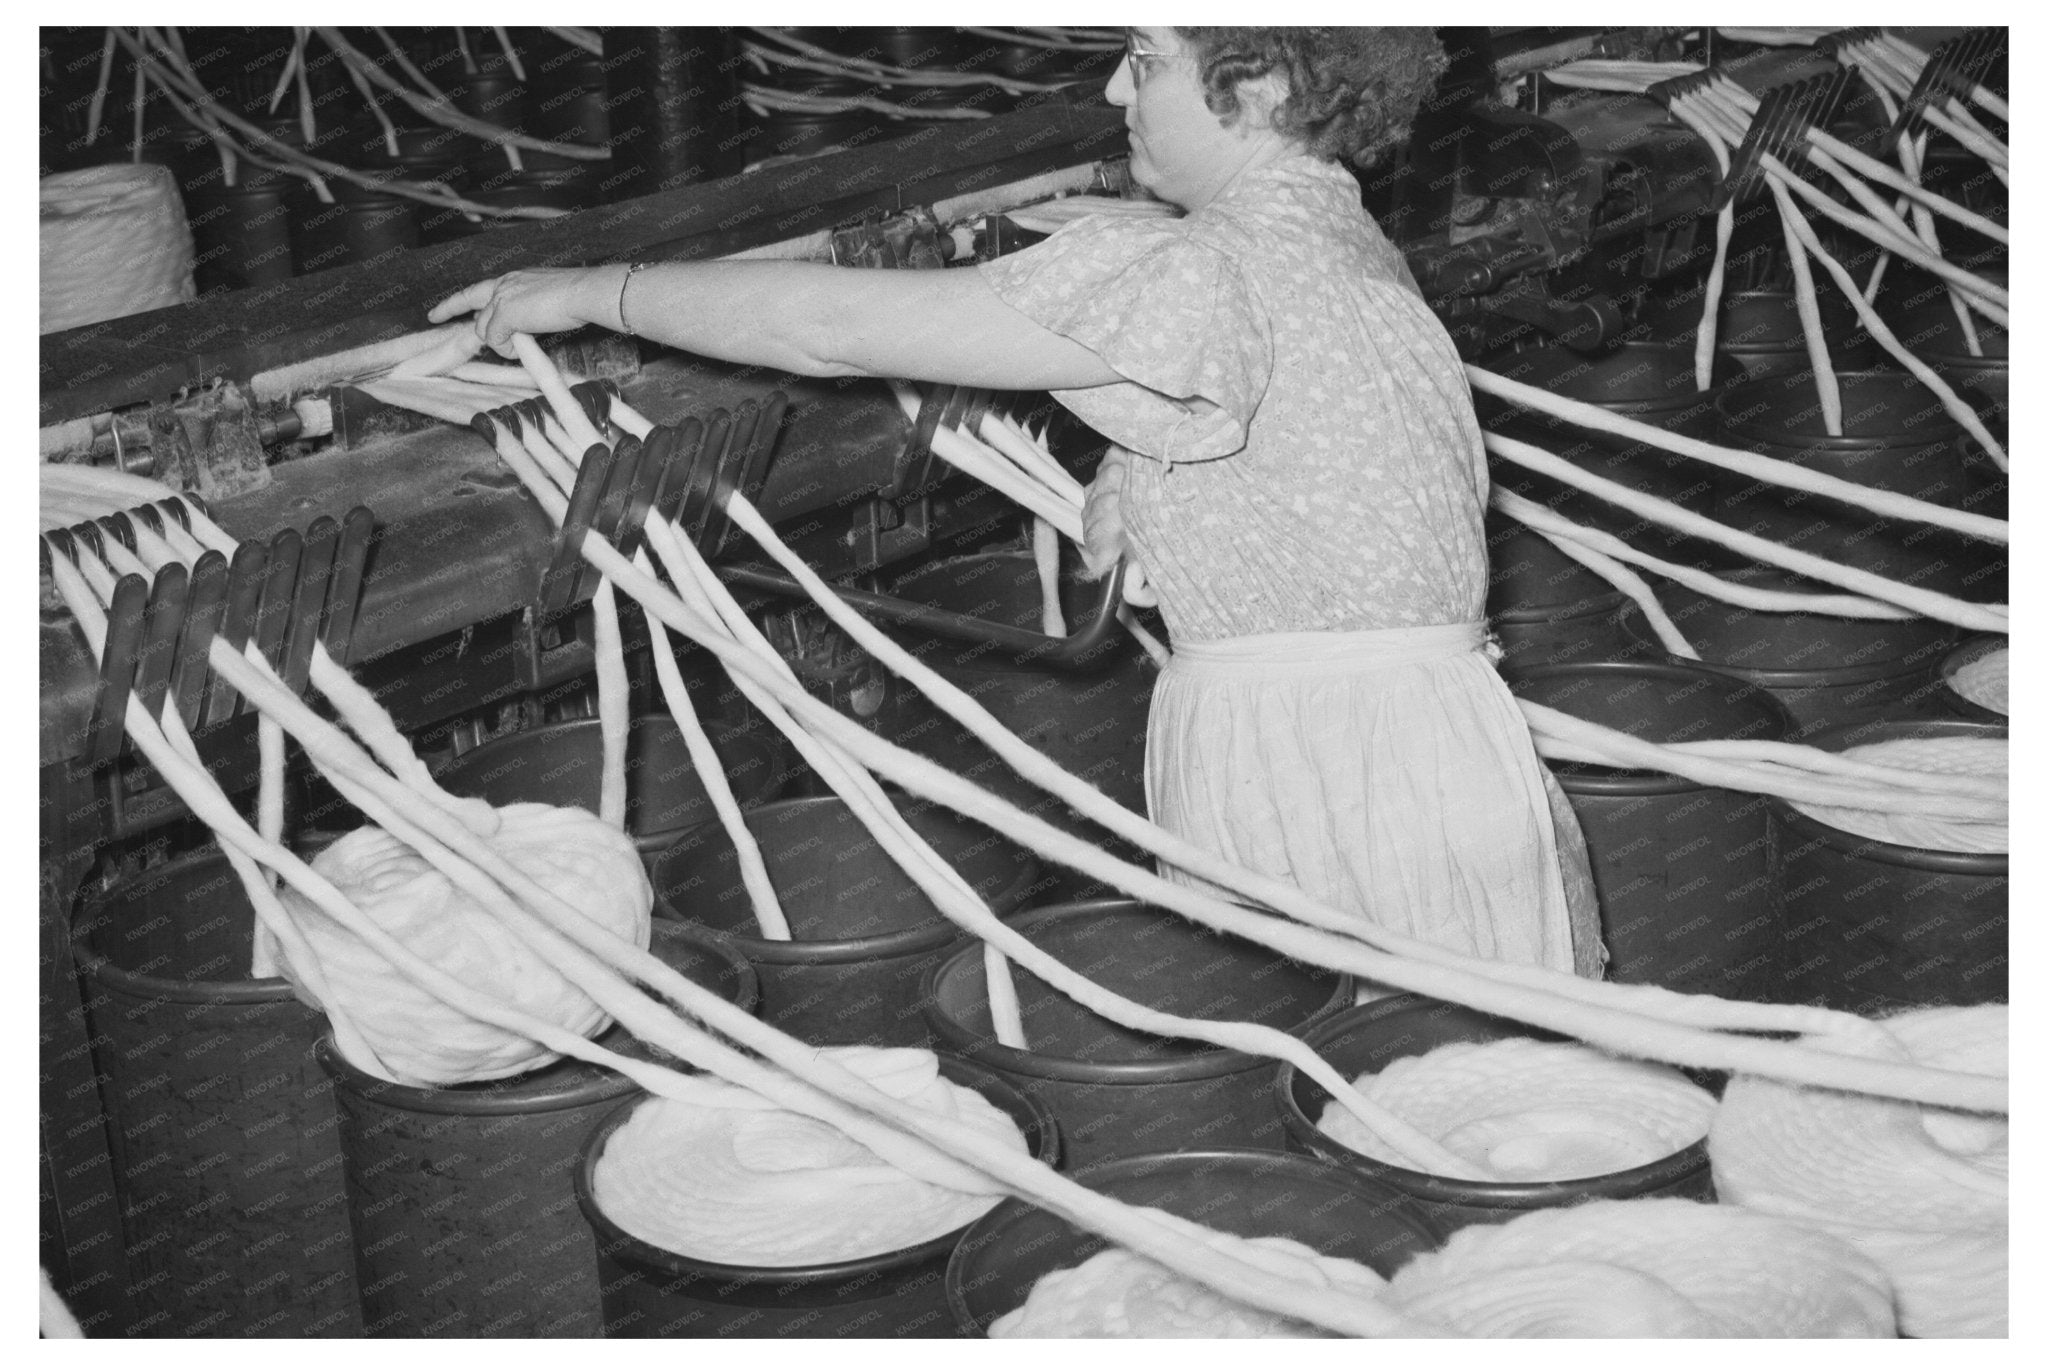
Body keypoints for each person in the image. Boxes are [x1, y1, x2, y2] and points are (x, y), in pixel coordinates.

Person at [431, 26, 1603, 979]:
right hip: (1434, 755)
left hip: (1322, 776)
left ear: (1262, 85)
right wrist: (1149, 482)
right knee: (1446, 1116)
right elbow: (1318, 456)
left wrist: (590, 288)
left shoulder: (1197, 268)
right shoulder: (1335, 236)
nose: (1110, 87)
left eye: (1143, 60)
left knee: (1338, 1113)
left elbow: (824, 330)